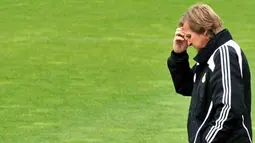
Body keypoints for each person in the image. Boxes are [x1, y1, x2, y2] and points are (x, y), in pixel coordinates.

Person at [167, 3, 252, 143]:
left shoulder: (225, 54)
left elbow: (229, 109)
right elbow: (187, 86)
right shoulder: (209, 56)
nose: (188, 42)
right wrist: (178, 55)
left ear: (205, 31)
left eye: (189, 36)